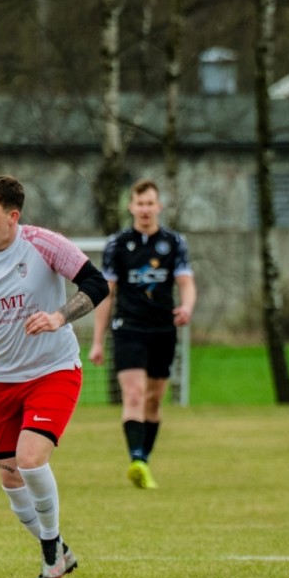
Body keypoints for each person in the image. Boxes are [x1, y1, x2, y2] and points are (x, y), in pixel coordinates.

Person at [0, 176, 108, 578]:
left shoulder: (43, 244)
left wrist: (58, 317)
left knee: (30, 460)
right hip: (2, 379)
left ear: (12, 216)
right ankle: (60, 549)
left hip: (54, 371)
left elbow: (97, 284)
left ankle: (51, 556)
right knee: (10, 476)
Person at [88, 178, 196, 490]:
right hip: (128, 329)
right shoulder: (117, 244)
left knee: (153, 399)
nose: (145, 209)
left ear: (158, 206)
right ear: (131, 207)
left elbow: (186, 282)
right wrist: (97, 341)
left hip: (163, 329)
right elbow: (106, 293)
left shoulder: (174, 243)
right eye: (140, 204)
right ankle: (136, 459)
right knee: (134, 394)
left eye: (150, 203)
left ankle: (143, 461)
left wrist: (187, 307)